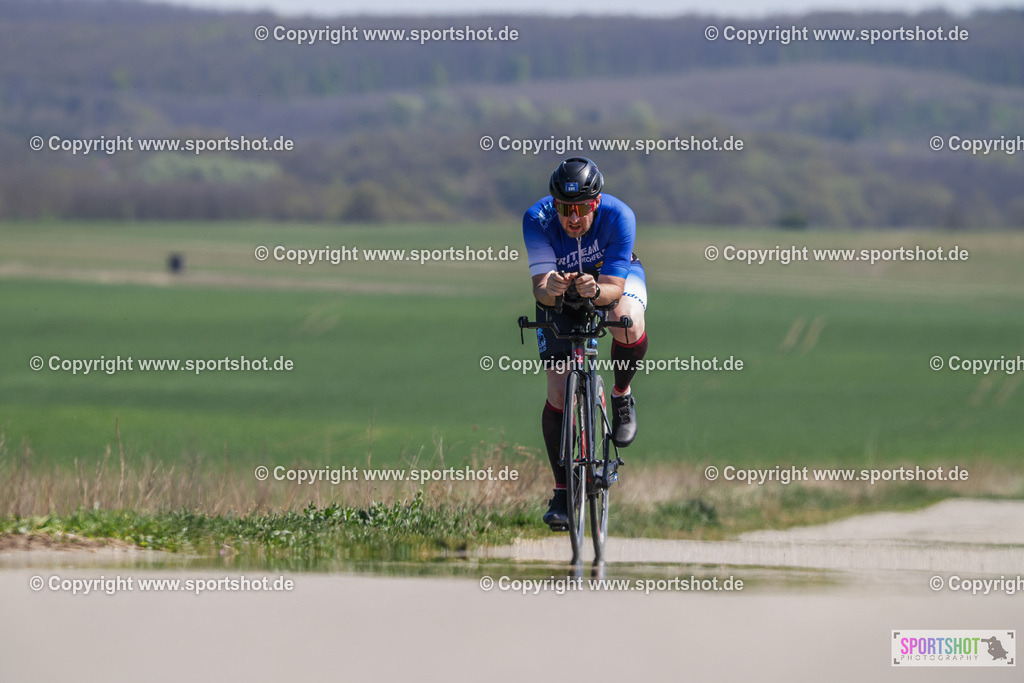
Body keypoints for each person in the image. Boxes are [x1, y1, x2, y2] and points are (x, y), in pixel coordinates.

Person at [522, 157, 649, 529]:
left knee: (627, 321)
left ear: (596, 203)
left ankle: (622, 394)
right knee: (559, 389)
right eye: (564, 208)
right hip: (560, 289)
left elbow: (614, 286)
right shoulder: (537, 219)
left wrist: (597, 291)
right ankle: (562, 491)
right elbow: (541, 288)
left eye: (580, 209)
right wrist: (551, 290)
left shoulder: (619, 216)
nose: (572, 218)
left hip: (610, 279)